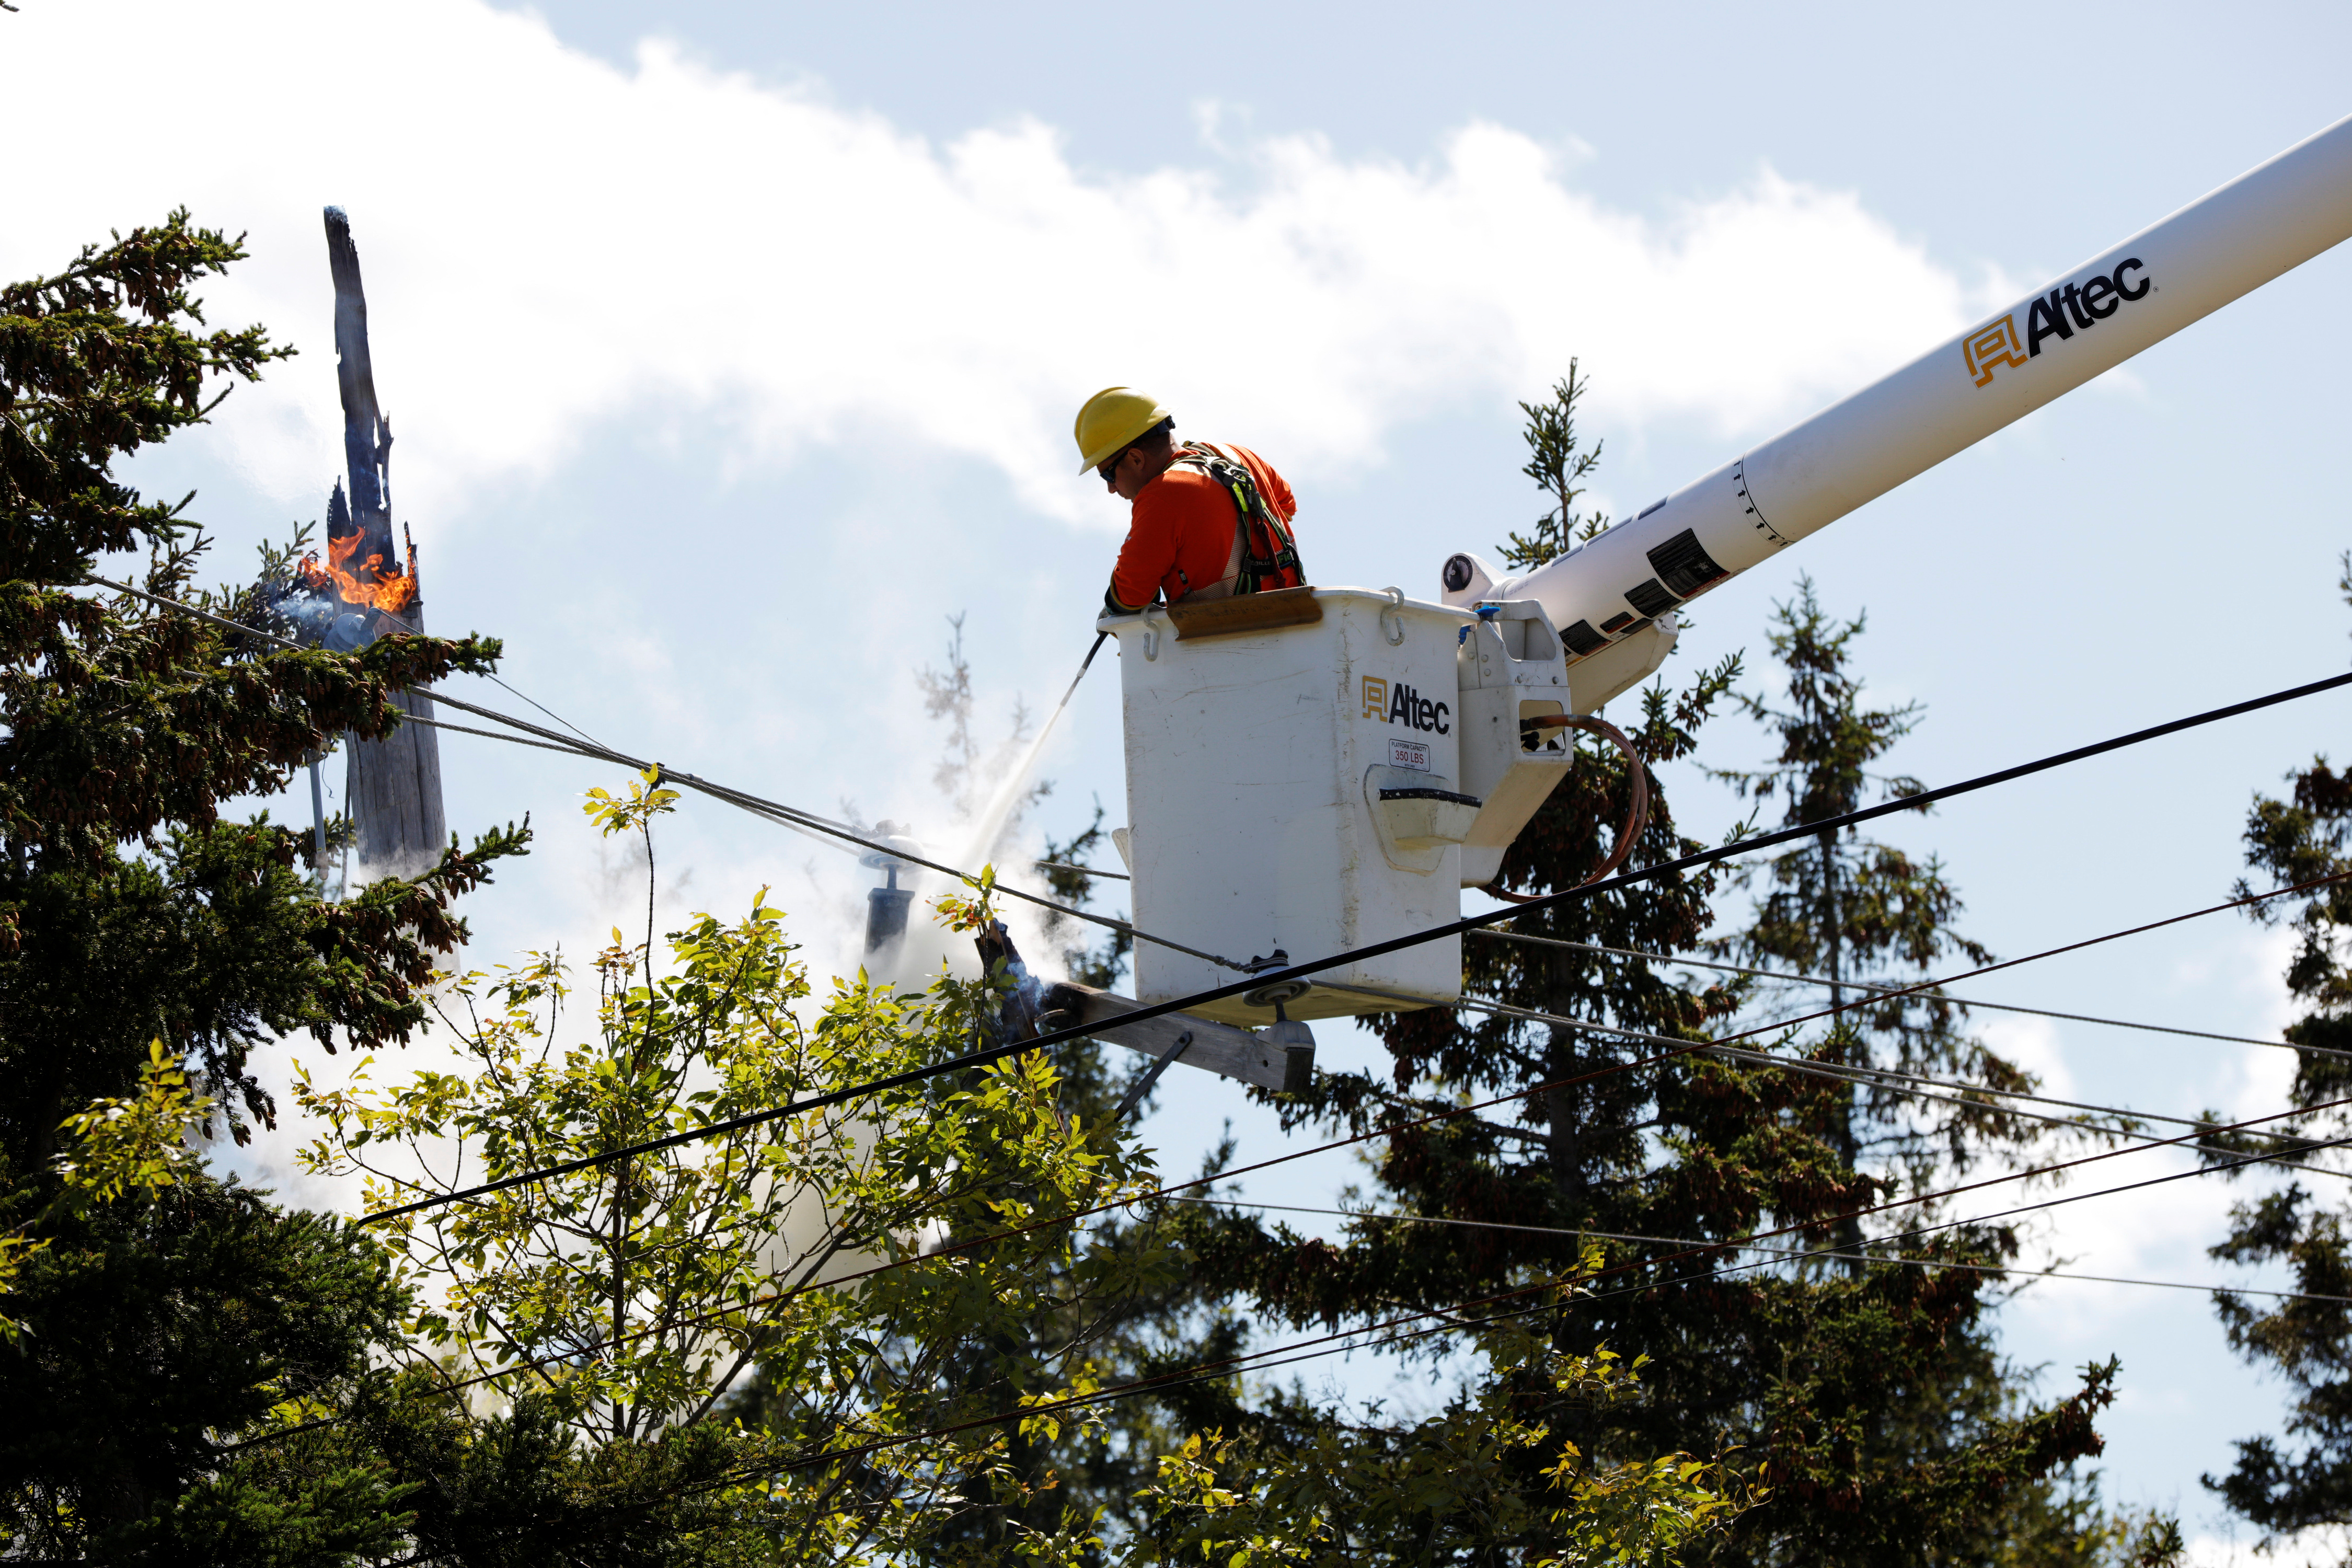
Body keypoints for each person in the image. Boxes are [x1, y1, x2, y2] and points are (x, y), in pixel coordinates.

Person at [1073, 387, 1305, 616]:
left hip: (1230, 640)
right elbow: (1286, 505)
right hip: (1301, 618)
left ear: (1135, 459)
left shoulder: (1162, 495)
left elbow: (1131, 595)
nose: (1111, 488)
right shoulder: (1234, 454)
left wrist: (1112, 607)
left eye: (1108, 475)